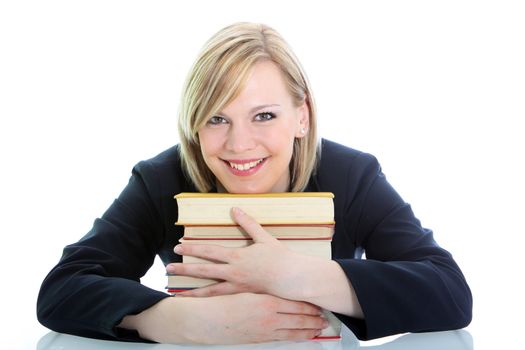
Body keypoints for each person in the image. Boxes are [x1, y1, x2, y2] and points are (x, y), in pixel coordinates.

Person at [37, 22, 472, 344]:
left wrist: (293, 275)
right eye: (216, 118)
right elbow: (62, 289)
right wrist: (178, 319)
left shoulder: (351, 176)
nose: (238, 144)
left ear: (301, 117)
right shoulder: (162, 179)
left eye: (264, 115)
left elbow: (450, 292)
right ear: (193, 125)